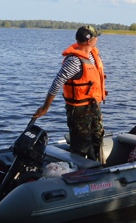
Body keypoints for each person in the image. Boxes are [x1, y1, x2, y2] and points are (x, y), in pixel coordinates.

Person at [33, 25, 107, 161]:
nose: (97, 39)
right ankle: (79, 174)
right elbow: (56, 83)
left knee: (98, 138)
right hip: (79, 111)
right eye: (96, 36)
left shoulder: (92, 54)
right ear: (89, 41)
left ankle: (96, 166)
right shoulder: (74, 61)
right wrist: (45, 108)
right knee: (81, 145)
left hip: (94, 107)